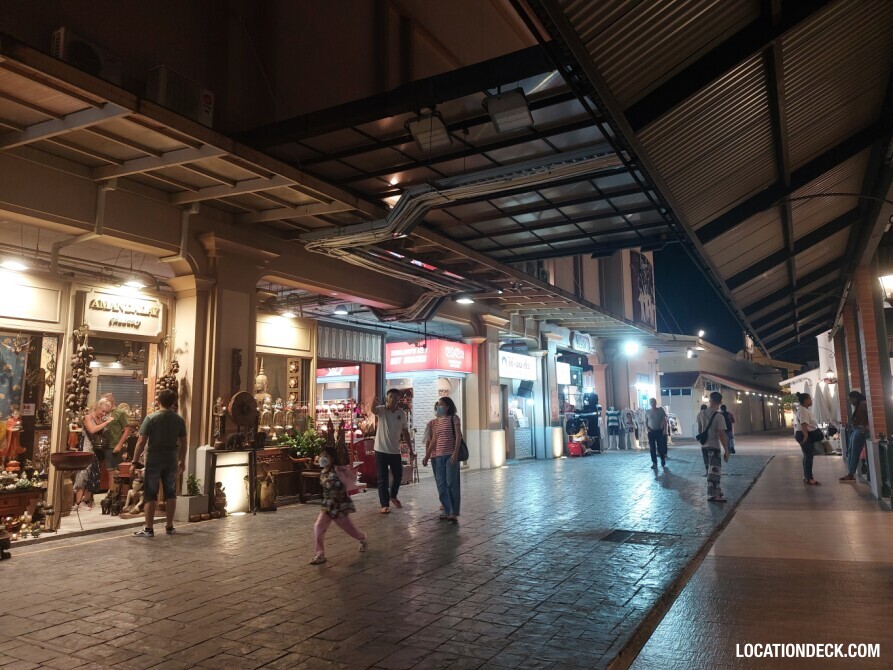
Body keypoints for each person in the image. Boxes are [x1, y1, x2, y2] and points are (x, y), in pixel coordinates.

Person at [131, 389, 186, 537]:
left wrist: (134, 461)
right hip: (171, 458)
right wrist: (183, 460)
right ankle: (169, 526)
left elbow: (141, 441)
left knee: (150, 493)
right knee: (170, 492)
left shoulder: (151, 418)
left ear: (158, 401)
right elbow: (183, 442)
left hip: (154, 458)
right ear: (173, 403)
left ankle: (148, 528)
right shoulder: (179, 419)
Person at [309, 446, 368, 564]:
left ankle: (362, 539)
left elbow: (352, 478)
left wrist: (347, 471)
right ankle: (320, 554)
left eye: (325, 456)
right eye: (321, 456)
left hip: (340, 505)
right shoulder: (323, 472)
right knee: (318, 526)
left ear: (332, 458)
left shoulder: (338, 470)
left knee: (349, 529)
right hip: (328, 505)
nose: (322, 458)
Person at [371, 389, 412, 514]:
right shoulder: (382, 410)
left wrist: (411, 449)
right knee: (382, 479)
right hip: (381, 450)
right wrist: (373, 401)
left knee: (398, 475)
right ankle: (384, 504)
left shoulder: (402, 414)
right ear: (387, 398)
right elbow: (373, 410)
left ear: (399, 399)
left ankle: (393, 495)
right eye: (390, 397)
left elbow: (405, 432)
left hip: (395, 451)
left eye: (395, 397)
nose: (393, 399)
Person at [423, 396, 462, 523]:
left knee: (451, 483)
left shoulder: (454, 418)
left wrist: (455, 453)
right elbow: (434, 440)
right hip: (438, 456)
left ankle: (453, 512)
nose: (439, 407)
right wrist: (427, 455)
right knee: (441, 484)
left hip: (450, 455)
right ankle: (446, 509)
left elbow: (458, 437)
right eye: (438, 405)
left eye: (441, 405)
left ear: (448, 406)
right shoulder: (437, 421)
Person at [74, 398, 114, 510]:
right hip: (87, 448)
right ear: (97, 408)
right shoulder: (88, 417)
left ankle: (86, 500)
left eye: (106, 412)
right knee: (83, 473)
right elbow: (92, 430)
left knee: (94, 473)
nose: (103, 413)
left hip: (97, 449)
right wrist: (106, 422)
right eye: (102, 411)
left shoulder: (101, 419)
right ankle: (78, 502)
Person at [696, 392, 730, 502]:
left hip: (704, 446)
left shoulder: (700, 414)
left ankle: (716, 491)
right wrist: (726, 449)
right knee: (715, 471)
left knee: (708, 470)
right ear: (720, 402)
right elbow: (721, 434)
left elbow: (700, 430)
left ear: (710, 400)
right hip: (714, 446)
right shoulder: (719, 416)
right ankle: (714, 495)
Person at [840, 391, 869, 482]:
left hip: (860, 430)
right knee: (851, 450)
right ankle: (850, 473)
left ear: (856, 398)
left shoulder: (863, 404)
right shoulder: (860, 405)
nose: (850, 402)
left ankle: (851, 473)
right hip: (856, 430)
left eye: (851, 400)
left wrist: (865, 427)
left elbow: (868, 417)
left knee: (854, 452)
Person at [794, 392, 820, 485]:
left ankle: (807, 477)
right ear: (805, 400)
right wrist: (805, 436)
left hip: (804, 434)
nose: (811, 400)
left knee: (807, 456)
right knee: (809, 456)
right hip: (804, 434)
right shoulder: (803, 410)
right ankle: (809, 478)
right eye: (809, 399)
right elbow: (804, 424)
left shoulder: (803, 409)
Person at [645, 398, 668, 469]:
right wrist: (647, 428)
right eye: (651, 402)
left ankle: (662, 459)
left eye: (654, 402)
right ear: (650, 404)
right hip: (651, 432)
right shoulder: (648, 412)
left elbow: (664, 420)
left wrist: (665, 430)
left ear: (656, 403)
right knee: (652, 448)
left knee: (660, 447)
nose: (653, 404)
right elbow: (646, 421)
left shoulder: (660, 410)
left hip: (659, 431)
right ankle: (654, 462)